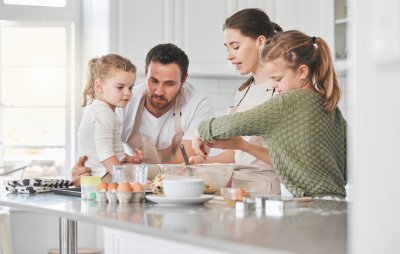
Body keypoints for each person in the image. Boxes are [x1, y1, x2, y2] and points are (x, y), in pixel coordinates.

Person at [193, 30, 347, 198]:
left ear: (302, 72)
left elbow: (232, 124)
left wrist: (200, 131)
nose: (273, 85)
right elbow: (339, 165)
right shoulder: (327, 104)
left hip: (308, 204)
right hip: (335, 199)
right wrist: (242, 145)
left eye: (278, 79)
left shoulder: (287, 101)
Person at [72, 44, 214, 186]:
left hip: (174, 184)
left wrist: (129, 164)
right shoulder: (122, 101)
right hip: (133, 181)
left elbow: (183, 165)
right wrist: (84, 172)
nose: (159, 91)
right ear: (145, 74)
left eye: (169, 84)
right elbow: (104, 151)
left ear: (184, 80)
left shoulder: (198, 105)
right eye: (153, 81)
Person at [189, 8, 283, 195]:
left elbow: (285, 159)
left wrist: (238, 143)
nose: (229, 56)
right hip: (237, 191)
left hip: (267, 191)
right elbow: (237, 153)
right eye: (227, 48)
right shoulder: (243, 92)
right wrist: (206, 163)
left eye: (235, 46)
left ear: (260, 42)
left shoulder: (281, 90)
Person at [77, 54, 144, 177]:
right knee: (152, 175)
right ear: (99, 86)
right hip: (103, 176)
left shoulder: (104, 111)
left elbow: (110, 148)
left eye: (130, 87)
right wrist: (125, 179)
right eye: (120, 87)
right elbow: (105, 153)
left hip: (105, 172)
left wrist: (128, 158)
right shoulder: (103, 114)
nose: (128, 93)